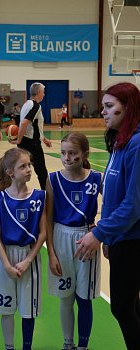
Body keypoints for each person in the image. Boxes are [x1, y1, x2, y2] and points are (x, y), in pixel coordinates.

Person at [75, 82, 140, 350]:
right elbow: (113, 194)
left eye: (110, 107)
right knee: (131, 305)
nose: (103, 112)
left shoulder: (136, 144)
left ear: (129, 108)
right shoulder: (119, 142)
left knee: (123, 308)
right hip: (121, 238)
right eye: (103, 106)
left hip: (134, 239)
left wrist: (99, 234)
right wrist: (109, 234)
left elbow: (134, 204)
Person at [0, 147, 46, 350]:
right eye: (23, 166)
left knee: (28, 311)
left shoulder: (39, 197)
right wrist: (6, 265)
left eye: (29, 165)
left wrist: (28, 259)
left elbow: (43, 233)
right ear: (10, 172)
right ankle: (9, 346)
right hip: (5, 258)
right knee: (7, 309)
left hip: (29, 257)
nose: (29, 169)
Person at [46, 132, 101, 350]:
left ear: (84, 154)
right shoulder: (53, 179)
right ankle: (67, 344)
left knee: (84, 298)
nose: (67, 158)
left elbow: (110, 208)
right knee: (66, 298)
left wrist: (99, 232)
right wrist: (51, 253)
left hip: (87, 239)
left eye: (73, 154)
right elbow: (47, 220)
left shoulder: (96, 178)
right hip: (61, 237)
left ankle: (83, 346)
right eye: (63, 153)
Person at [10, 82, 52, 190]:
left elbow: (33, 126)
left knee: (22, 170)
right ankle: (47, 197)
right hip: (32, 144)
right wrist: (18, 140)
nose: (44, 95)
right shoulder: (36, 106)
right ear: (38, 93)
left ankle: (17, 191)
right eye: (43, 92)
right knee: (42, 173)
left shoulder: (26, 104)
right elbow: (24, 123)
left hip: (26, 142)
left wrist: (44, 139)